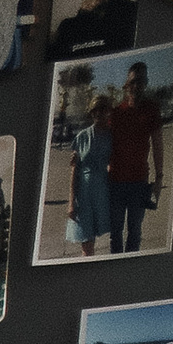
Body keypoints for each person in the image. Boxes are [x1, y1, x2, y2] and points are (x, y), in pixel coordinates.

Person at [105, 63, 163, 257]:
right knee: (115, 234)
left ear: (146, 83)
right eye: (133, 82)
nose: (137, 86)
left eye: (141, 81)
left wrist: (159, 177)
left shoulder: (151, 110)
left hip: (139, 182)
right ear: (126, 85)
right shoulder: (115, 113)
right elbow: (104, 144)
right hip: (115, 182)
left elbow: (157, 144)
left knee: (135, 233)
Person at [61, 84, 112, 256]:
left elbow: (114, 163)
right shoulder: (82, 137)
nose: (99, 113)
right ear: (91, 113)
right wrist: (71, 202)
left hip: (102, 191)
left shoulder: (112, 136)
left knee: (96, 239)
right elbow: (74, 170)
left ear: (108, 111)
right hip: (83, 193)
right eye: (95, 110)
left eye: (102, 109)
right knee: (86, 243)